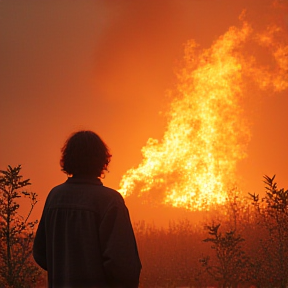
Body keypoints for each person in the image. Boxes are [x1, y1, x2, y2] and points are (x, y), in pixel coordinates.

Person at [33, 130, 141, 288]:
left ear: (67, 159)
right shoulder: (110, 201)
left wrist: (66, 269)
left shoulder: (54, 197)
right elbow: (123, 265)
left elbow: (40, 254)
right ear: (102, 160)